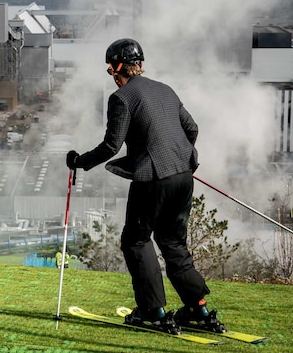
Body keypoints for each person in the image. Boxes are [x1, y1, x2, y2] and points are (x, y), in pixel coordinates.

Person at [65, 38, 224, 334]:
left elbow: (112, 145)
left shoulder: (122, 97)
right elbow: (192, 129)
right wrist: (176, 158)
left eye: (110, 66)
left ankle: (153, 311)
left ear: (119, 67)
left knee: (136, 240)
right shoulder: (165, 90)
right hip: (183, 175)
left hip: (153, 179)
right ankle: (198, 309)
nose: (111, 73)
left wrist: (78, 161)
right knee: (173, 242)